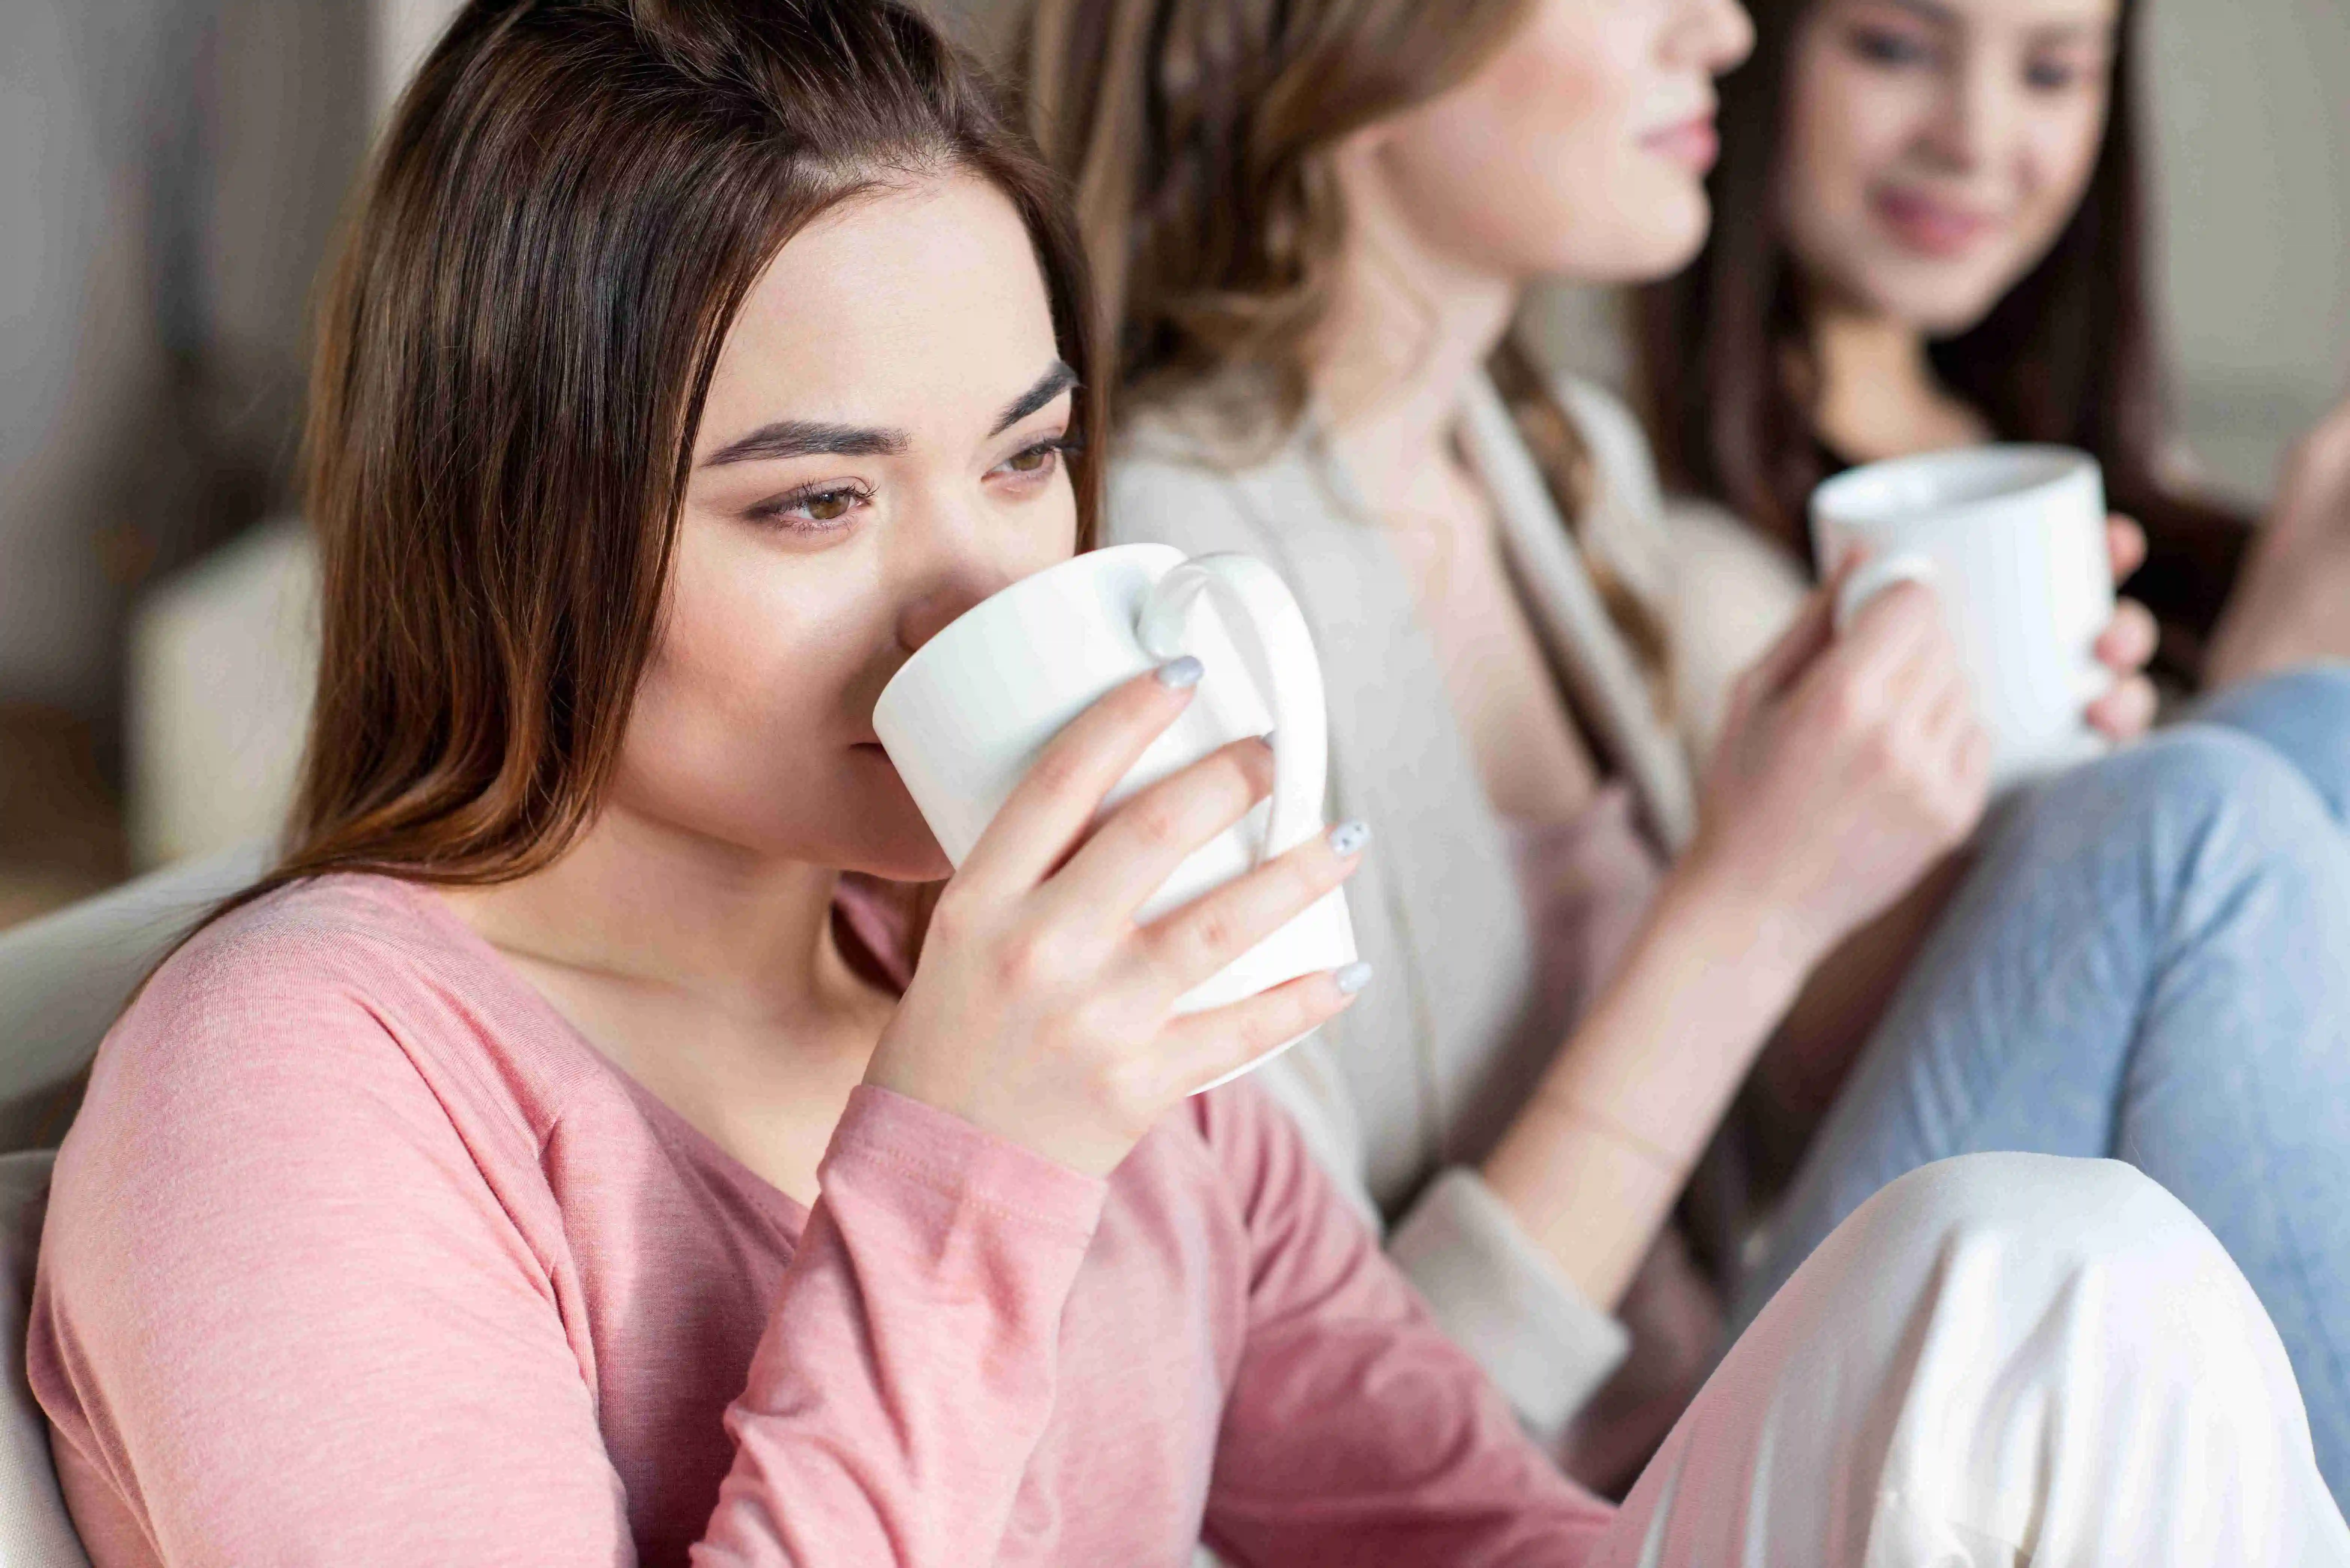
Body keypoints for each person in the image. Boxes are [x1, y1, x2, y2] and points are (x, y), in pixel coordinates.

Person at [26, 2, 2350, 1563]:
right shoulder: (306, 1070)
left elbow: (1478, 1531)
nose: (968, 600)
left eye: (1027, 460)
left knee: (2045, 1272)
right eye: (813, 504)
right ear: (509, 504)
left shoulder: (1073, 987)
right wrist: (975, 1152)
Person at [1020, 0, 2350, 1503]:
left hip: (1721, 1376)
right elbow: (1299, 1459)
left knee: (2297, 740)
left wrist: (1931, 835)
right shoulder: (1174, 594)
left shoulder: (1554, 466)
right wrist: (1750, 901)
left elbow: (1739, 1145)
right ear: (1356, 34)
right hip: (1516, 1500)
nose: (1720, 32)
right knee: (2194, 819)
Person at [1638, 0, 2350, 699]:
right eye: (1895, 48)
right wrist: (2272, 704)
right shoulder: (1664, 549)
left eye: (2050, 72)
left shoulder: (2128, 477)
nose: (1974, 140)